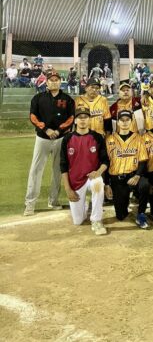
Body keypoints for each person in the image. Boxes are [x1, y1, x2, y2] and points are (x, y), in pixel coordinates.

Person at [24, 70, 75, 216]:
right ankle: (30, 203)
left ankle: (53, 200)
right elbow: (33, 116)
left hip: (60, 138)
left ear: (60, 82)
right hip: (42, 138)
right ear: (46, 82)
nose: (54, 82)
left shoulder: (67, 99)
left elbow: (71, 118)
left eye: (56, 80)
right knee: (36, 170)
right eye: (51, 80)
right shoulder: (38, 98)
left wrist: (58, 131)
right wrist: (46, 129)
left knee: (58, 171)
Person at [60, 107, 108, 236]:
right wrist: (68, 189)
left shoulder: (97, 137)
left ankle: (96, 220)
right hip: (75, 181)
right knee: (78, 221)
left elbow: (105, 161)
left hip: (92, 177)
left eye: (85, 117)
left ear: (89, 120)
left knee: (98, 184)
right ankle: (85, 206)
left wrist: (98, 172)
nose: (82, 120)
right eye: (80, 117)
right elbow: (63, 165)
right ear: (75, 120)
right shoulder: (67, 138)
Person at [105, 110, 150, 228]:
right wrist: (107, 184)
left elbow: (143, 160)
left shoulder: (138, 138)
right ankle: (125, 203)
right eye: (122, 120)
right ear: (118, 122)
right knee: (121, 216)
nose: (124, 122)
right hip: (117, 178)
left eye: (127, 120)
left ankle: (141, 213)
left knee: (144, 185)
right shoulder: (110, 139)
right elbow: (106, 163)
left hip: (133, 175)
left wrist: (137, 175)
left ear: (131, 121)